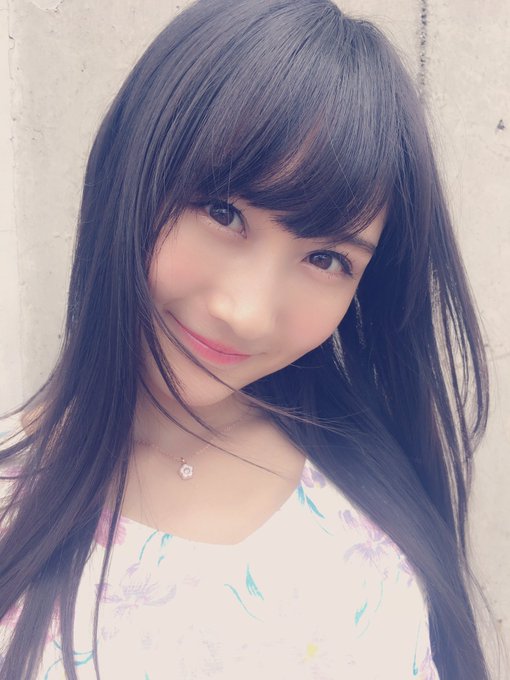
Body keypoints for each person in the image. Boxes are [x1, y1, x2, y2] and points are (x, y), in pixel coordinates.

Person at [0, 0, 492, 677]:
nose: (249, 314)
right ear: (131, 170)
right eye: (223, 211)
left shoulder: (376, 477)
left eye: (326, 258)